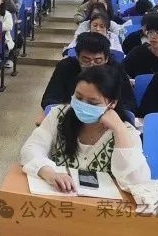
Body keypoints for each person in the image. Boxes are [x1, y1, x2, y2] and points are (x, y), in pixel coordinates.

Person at [21, 65, 150, 192]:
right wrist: (50, 173)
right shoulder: (59, 115)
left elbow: (137, 182)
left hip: (100, 203)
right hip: (58, 196)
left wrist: (119, 129)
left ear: (112, 104)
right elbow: (31, 148)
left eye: (93, 103)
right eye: (78, 97)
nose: (82, 105)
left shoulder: (126, 132)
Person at [42, 32, 136, 112]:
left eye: (98, 61)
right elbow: (49, 99)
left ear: (106, 58)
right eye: (86, 60)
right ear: (77, 56)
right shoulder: (65, 66)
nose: (92, 65)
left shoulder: (116, 69)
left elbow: (129, 104)